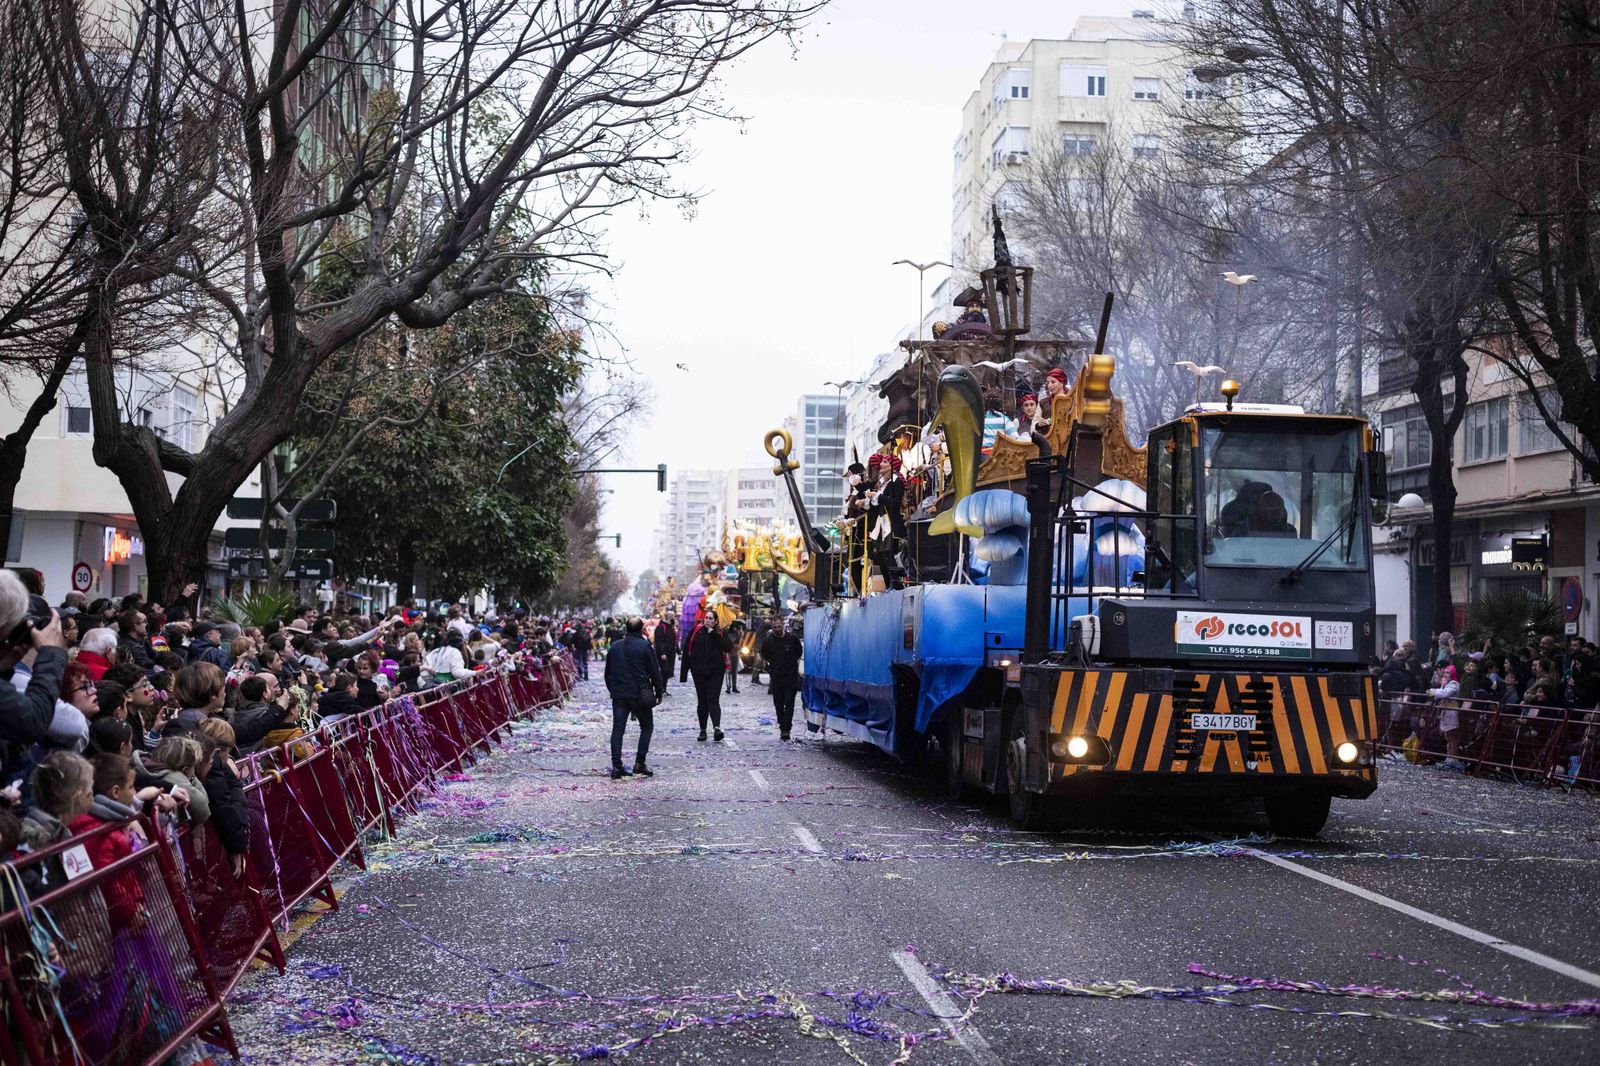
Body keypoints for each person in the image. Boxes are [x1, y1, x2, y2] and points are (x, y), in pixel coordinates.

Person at [603, 617, 665, 779]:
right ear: (640, 630)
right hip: (640, 694)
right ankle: (639, 763)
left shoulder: (615, 647)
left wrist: (613, 690)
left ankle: (617, 766)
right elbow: (655, 671)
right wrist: (659, 692)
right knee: (646, 727)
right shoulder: (645, 646)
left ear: (626, 629)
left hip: (619, 695)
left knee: (618, 730)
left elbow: (607, 673)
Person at [681, 611, 729, 742]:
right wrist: (684, 673)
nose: (707, 620)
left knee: (713, 700)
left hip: (716, 672)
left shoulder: (720, 633)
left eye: (710, 618)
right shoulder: (696, 631)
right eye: (706, 618)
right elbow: (686, 651)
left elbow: (728, 647)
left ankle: (717, 728)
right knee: (702, 701)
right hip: (699, 673)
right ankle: (703, 730)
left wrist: (714, 634)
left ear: (715, 621)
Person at [760, 617, 803, 741]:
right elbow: (764, 655)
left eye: (779, 626)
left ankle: (786, 729)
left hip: (790, 677)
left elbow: (799, 652)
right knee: (778, 704)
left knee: (789, 703)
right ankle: (781, 725)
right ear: (772, 628)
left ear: (782, 626)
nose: (777, 629)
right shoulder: (768, 641)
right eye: (775, 627)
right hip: (776, 677)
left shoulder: (792, 639)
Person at [653, 616, 677, 681]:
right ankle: (661, 688)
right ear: (669, 619)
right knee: (664, 671)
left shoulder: (671, 628)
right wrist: (662, 653)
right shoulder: (661, 627)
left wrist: (678, 652)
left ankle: (664, 688)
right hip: (663, 655)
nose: (674, 620)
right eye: (673, 618)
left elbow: (674, 641)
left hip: (671, 654)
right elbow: (659, 641)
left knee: (668, 672)